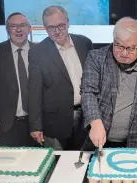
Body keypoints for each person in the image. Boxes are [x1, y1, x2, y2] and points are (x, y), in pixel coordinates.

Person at [81, 17, 137, 149]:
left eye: (130, 48)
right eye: (118, 45)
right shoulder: (96, 58)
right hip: (100, 142)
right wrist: (95, 121)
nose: (123, 53)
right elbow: (88, 92)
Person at [28, 6, 93, 150]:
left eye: (61, 26)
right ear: (45, 28)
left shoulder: (85, 43)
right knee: (59, 165)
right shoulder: (37, 53)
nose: (57, 31)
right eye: (51, 28)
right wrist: (35, 126)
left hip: (86, 117)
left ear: (68, 23)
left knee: (84, 161)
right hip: (56, 124)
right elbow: (34, 93)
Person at [0, 12, 33, 146]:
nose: (18, 30)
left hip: (37, 125)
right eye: (13, 26)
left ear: (29, 28)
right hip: (6, 124)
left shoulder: (40, 51)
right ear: (7, 29)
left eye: (22, 25)